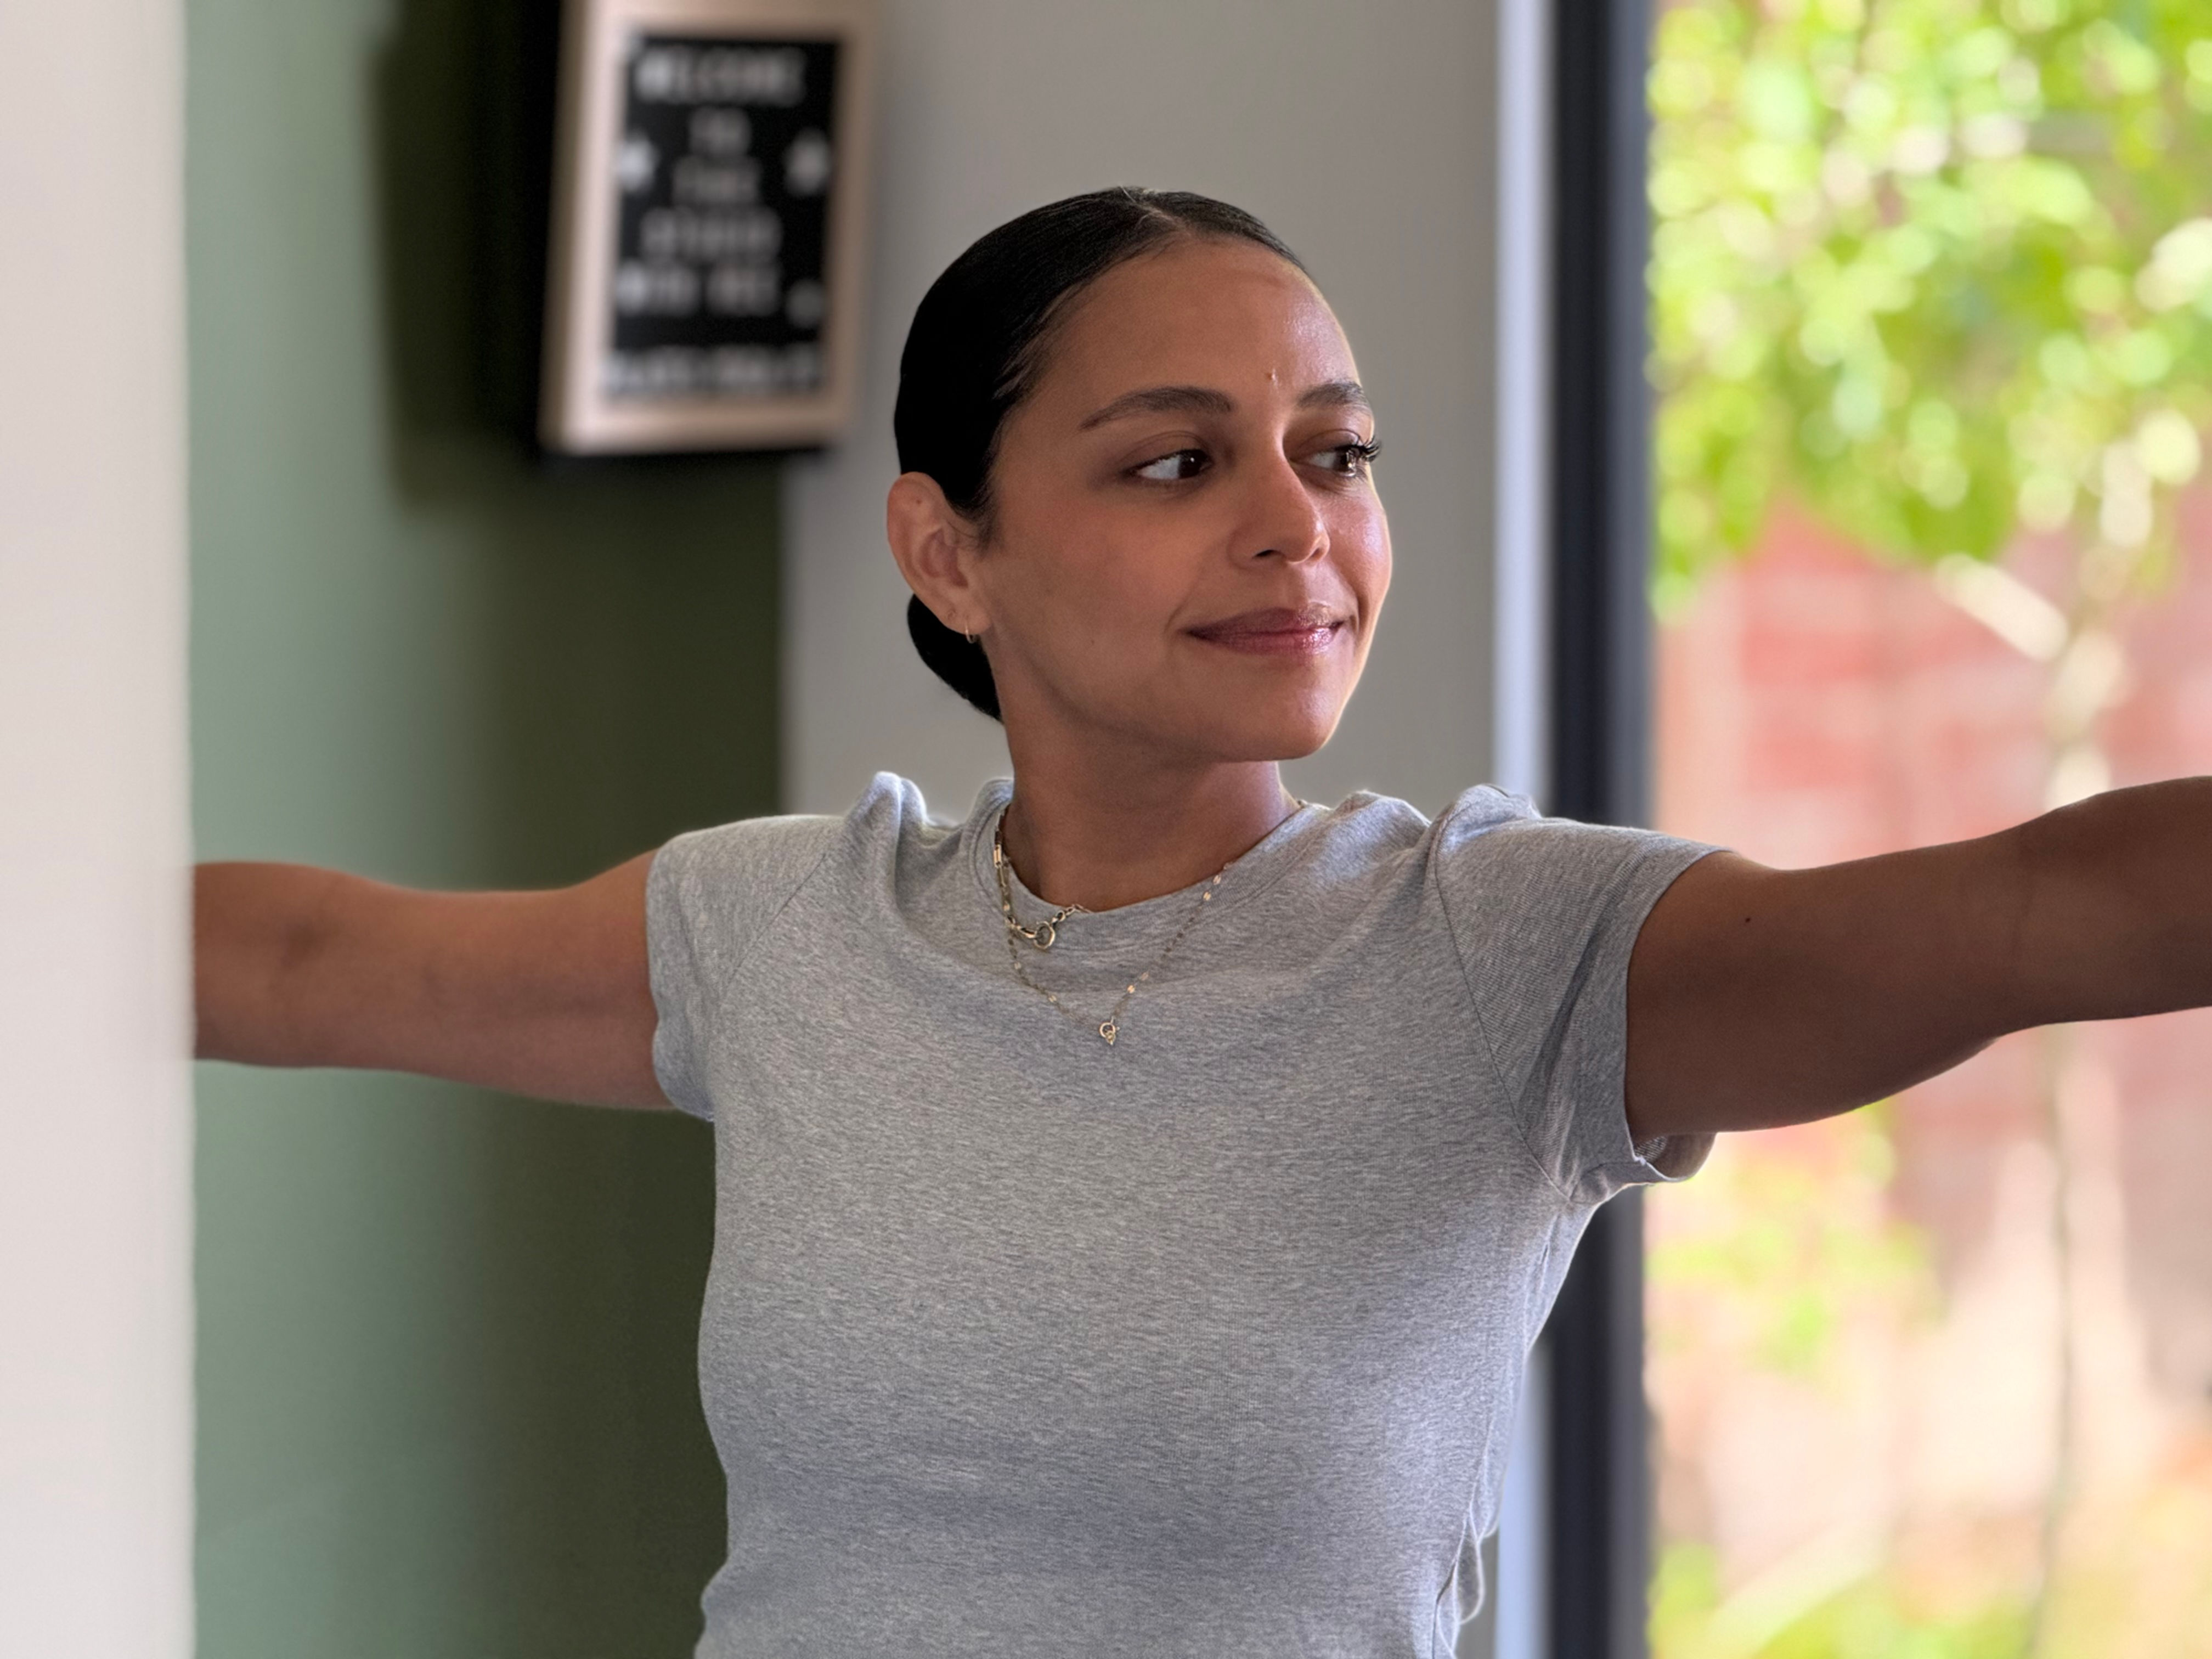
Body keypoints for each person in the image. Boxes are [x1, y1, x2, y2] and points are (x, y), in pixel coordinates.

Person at [193, 188, 2212, 1658]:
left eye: (1334, 455)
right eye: (1178, 459)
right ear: (946, 547)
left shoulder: (1513, 955)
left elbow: (2051, 909)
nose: (1295, 525)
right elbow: (291, 963)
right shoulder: (780, 931)